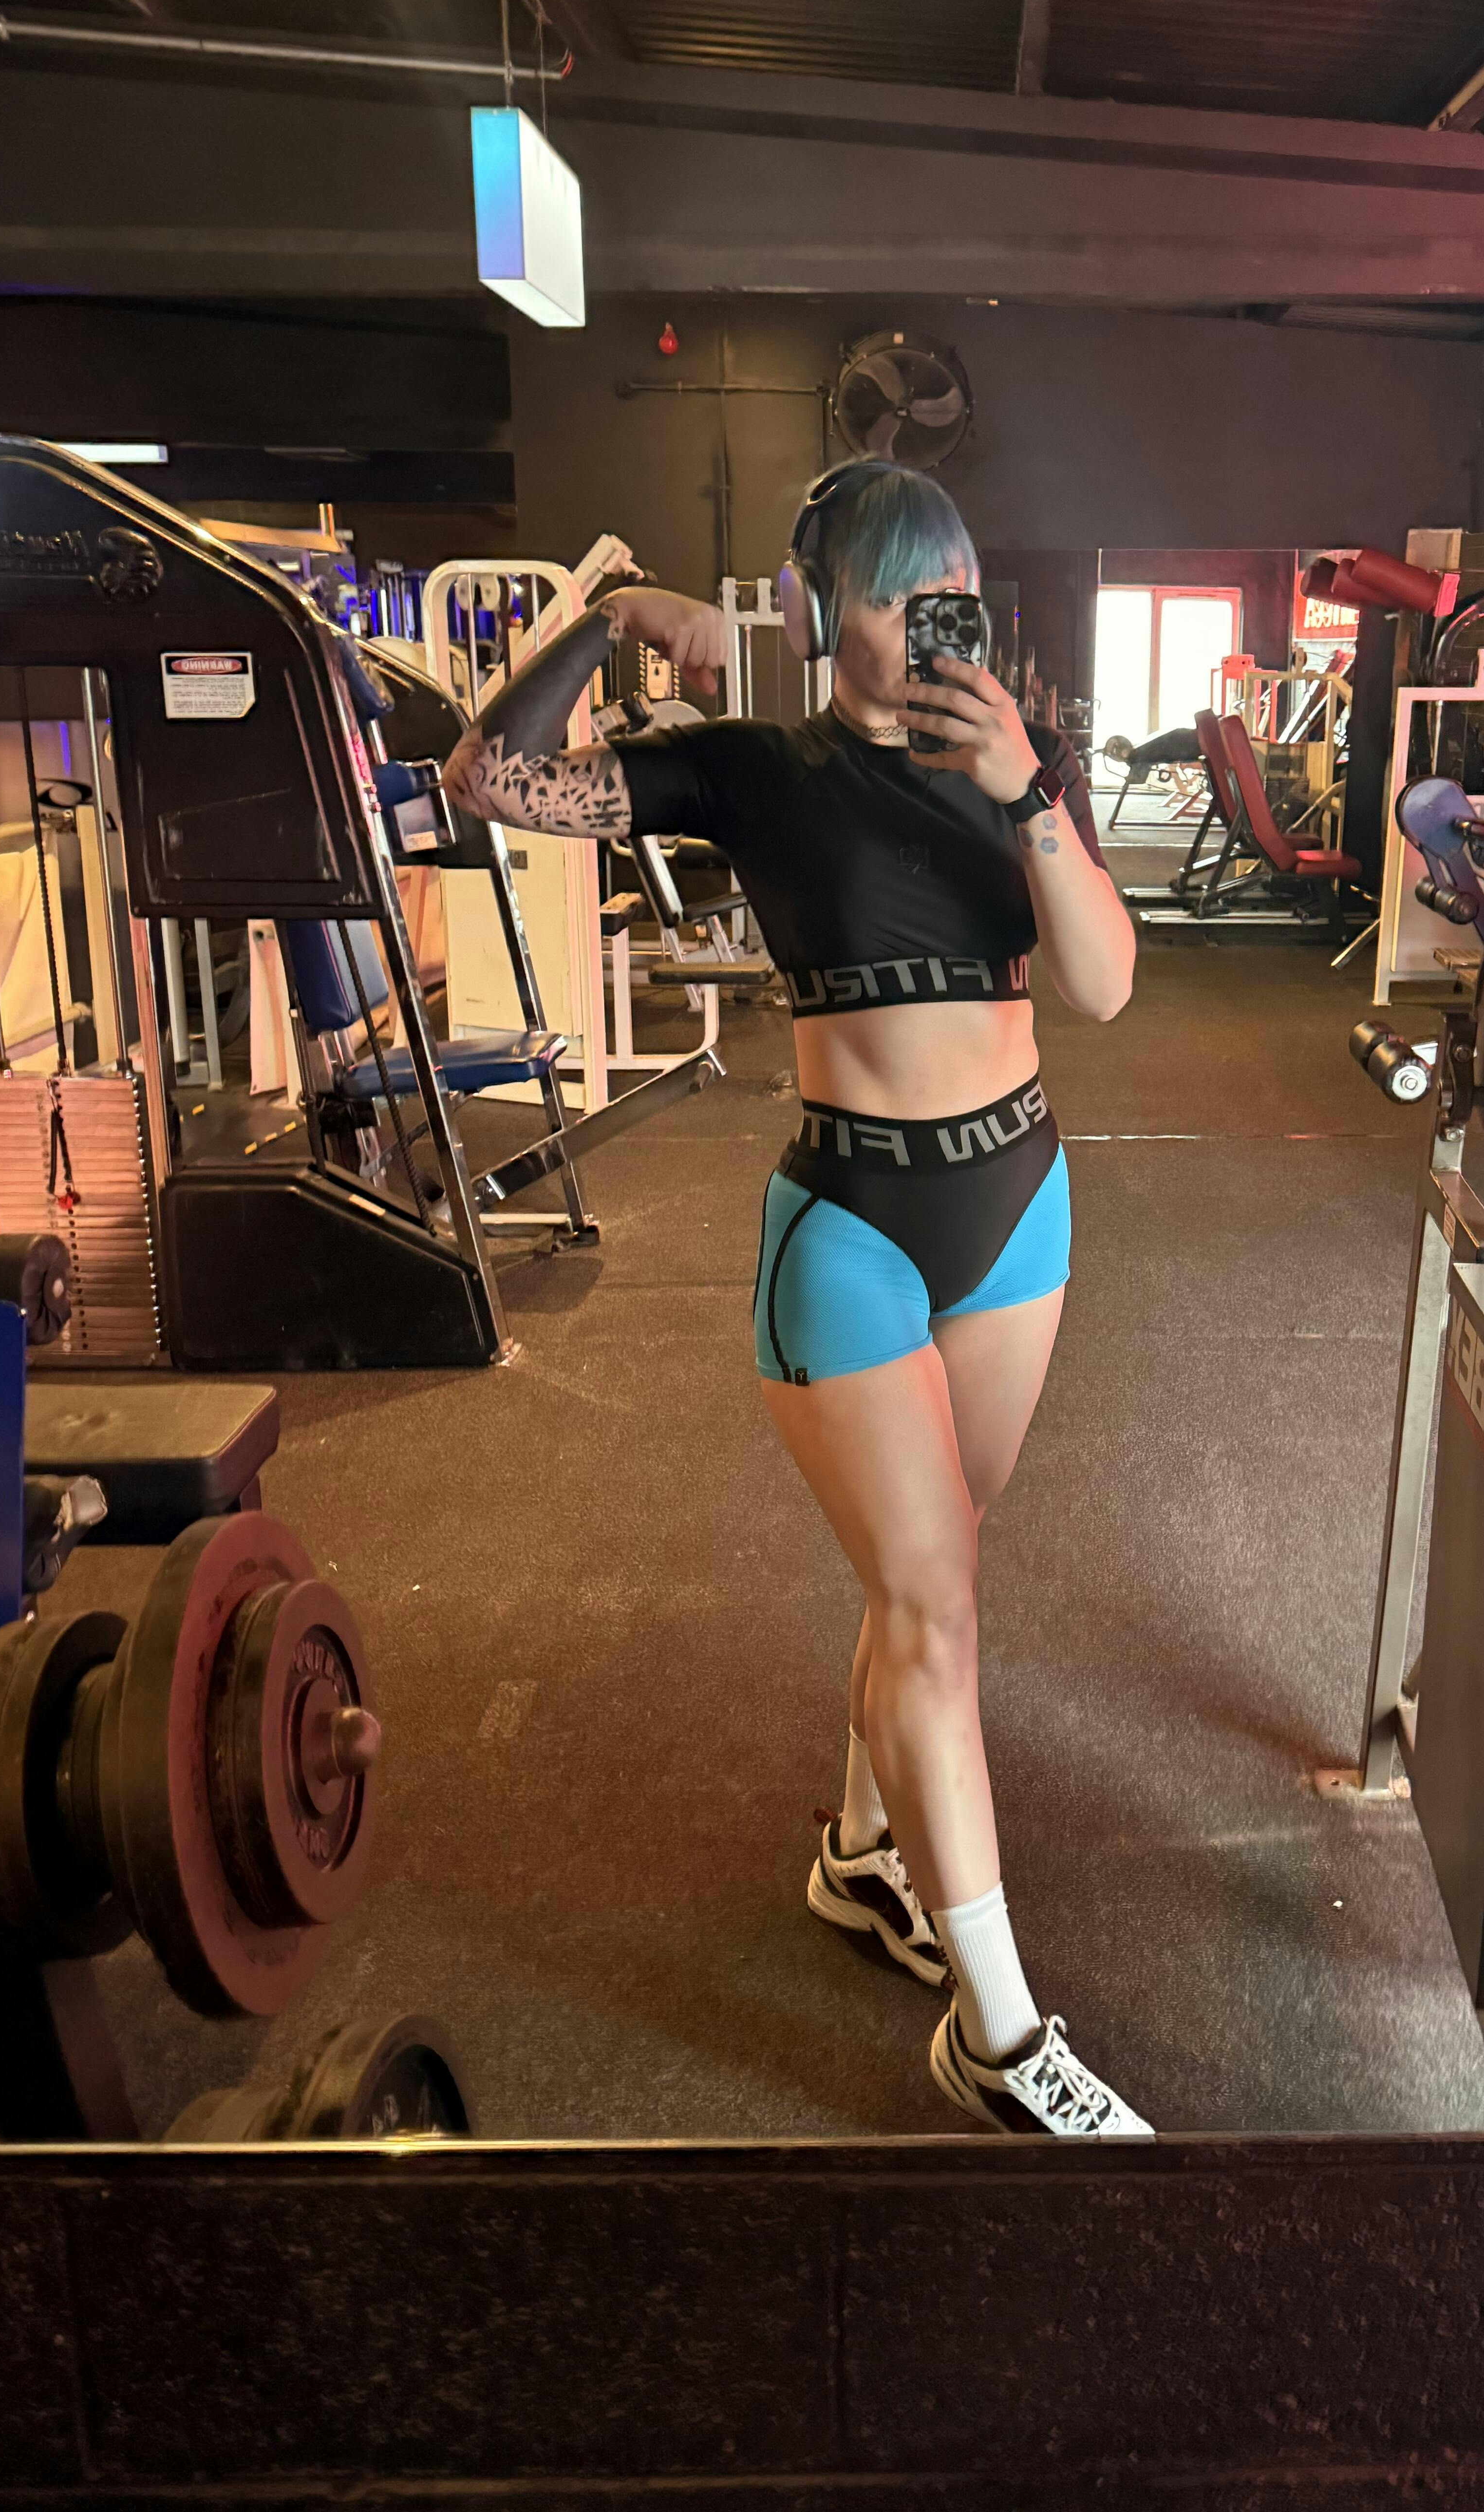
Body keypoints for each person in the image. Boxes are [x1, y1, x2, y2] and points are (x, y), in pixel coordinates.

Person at [443, 460, 1152, 2137]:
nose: (924, 627)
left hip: (1017, 1212)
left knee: (932, 1576)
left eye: (947, 593)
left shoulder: (1016, 761)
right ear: (822, 609)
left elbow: (1106, 987)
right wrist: (610, 611)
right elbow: (488, 780)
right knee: (934, 1606)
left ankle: (861, 1855)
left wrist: (1029, 790)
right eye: (892, 595)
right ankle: (996, 2039)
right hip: (851, 1230)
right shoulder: (755, 767)